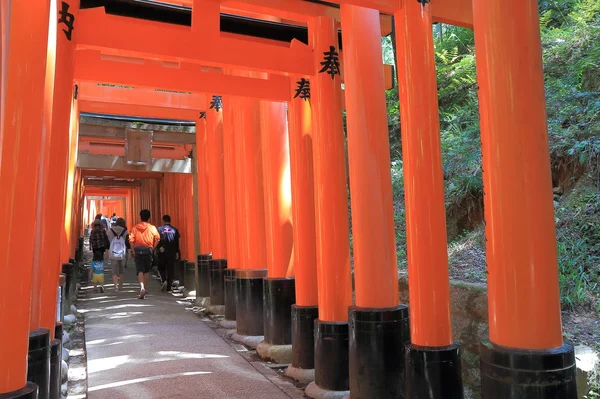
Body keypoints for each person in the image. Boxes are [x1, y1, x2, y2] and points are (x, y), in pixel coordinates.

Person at [129, 209, 160, 299]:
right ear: (149, 217)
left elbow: (131, 240)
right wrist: (153, 248)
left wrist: (133, 250)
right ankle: (145, 288)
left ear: (140, 216)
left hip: (138, 249)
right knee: (146, 270)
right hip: (148, 249)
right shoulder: (152, 228)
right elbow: (157, 238)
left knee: (140, 270)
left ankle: (141, 287)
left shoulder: (135, 227)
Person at [157, 215, 181, 293]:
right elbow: (177, 242)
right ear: (170, 221)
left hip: (162, 251)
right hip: (172, 251)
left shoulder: (159, 229)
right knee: (170, 269)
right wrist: (177, 252)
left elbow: (157, 239)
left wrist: (158, 248)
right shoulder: (174, 230)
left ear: (163, 221)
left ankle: (164, 280)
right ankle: (169, 287)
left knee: (161, 267)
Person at [108, 217, 129, 292]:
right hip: (122, 253)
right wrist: (129, 253)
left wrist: (106, 253)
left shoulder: (110, 231)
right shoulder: (125, 231)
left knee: (114, 269)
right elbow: (128, 243)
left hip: (113, 252)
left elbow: (107, 243)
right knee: (121, 269)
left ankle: (115, 286)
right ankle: (120, 286)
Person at [89, 219, 109, 293]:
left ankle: (95, 267)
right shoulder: (102, 231)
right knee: (100, 258)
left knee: (95, 258)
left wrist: (90, 247)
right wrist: (107, 248)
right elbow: (105, 238)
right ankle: (100, 267)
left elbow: (91, 239)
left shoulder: (93, 231)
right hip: (101, 247)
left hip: (95, 247)